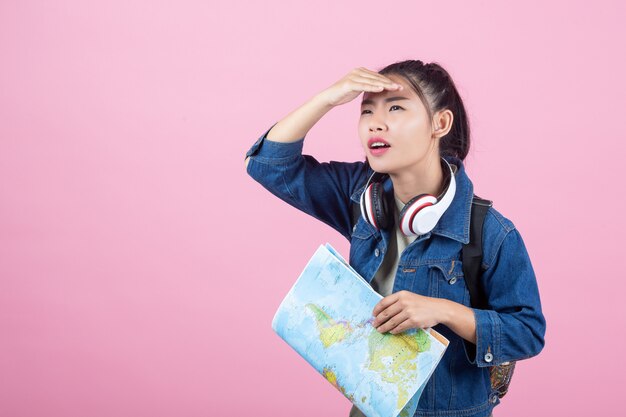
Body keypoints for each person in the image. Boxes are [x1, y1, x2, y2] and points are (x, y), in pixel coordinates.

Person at [244, 61, 546, 417]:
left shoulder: (489, 231)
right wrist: (327, 98)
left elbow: (527, 332)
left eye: (396, 107)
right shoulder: (359, 196)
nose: (375, 122)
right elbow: (267, 164)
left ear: (441, 123)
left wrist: (443, 311)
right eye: (367, 110)